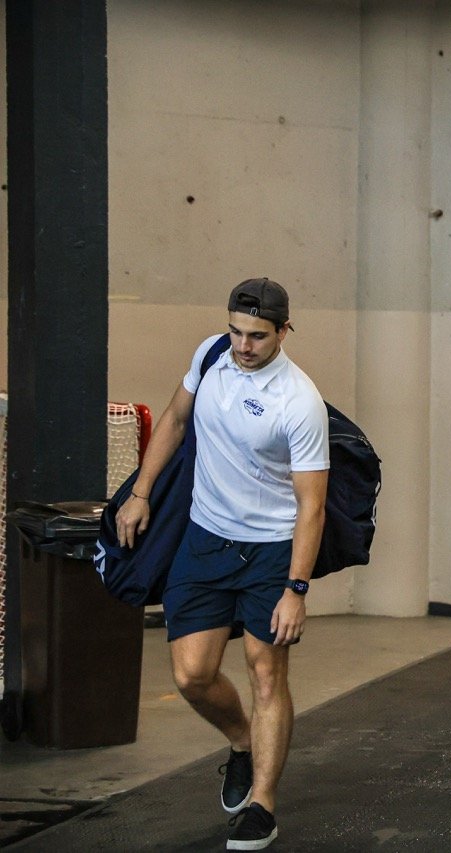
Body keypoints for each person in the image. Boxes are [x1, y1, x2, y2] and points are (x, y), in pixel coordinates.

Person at [115, 278, 329, 851]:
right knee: (192, 674)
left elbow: (312, 504)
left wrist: (296, 589)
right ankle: (242, 742)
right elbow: (175, 418)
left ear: (284, 331)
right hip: (206, 541)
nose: (243, 345)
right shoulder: (211, 355)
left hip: (270, 551)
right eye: (236, 331)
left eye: (257, 336)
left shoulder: (299, 401)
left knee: (266, 672)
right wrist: (140, 492)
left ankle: (263, 804)